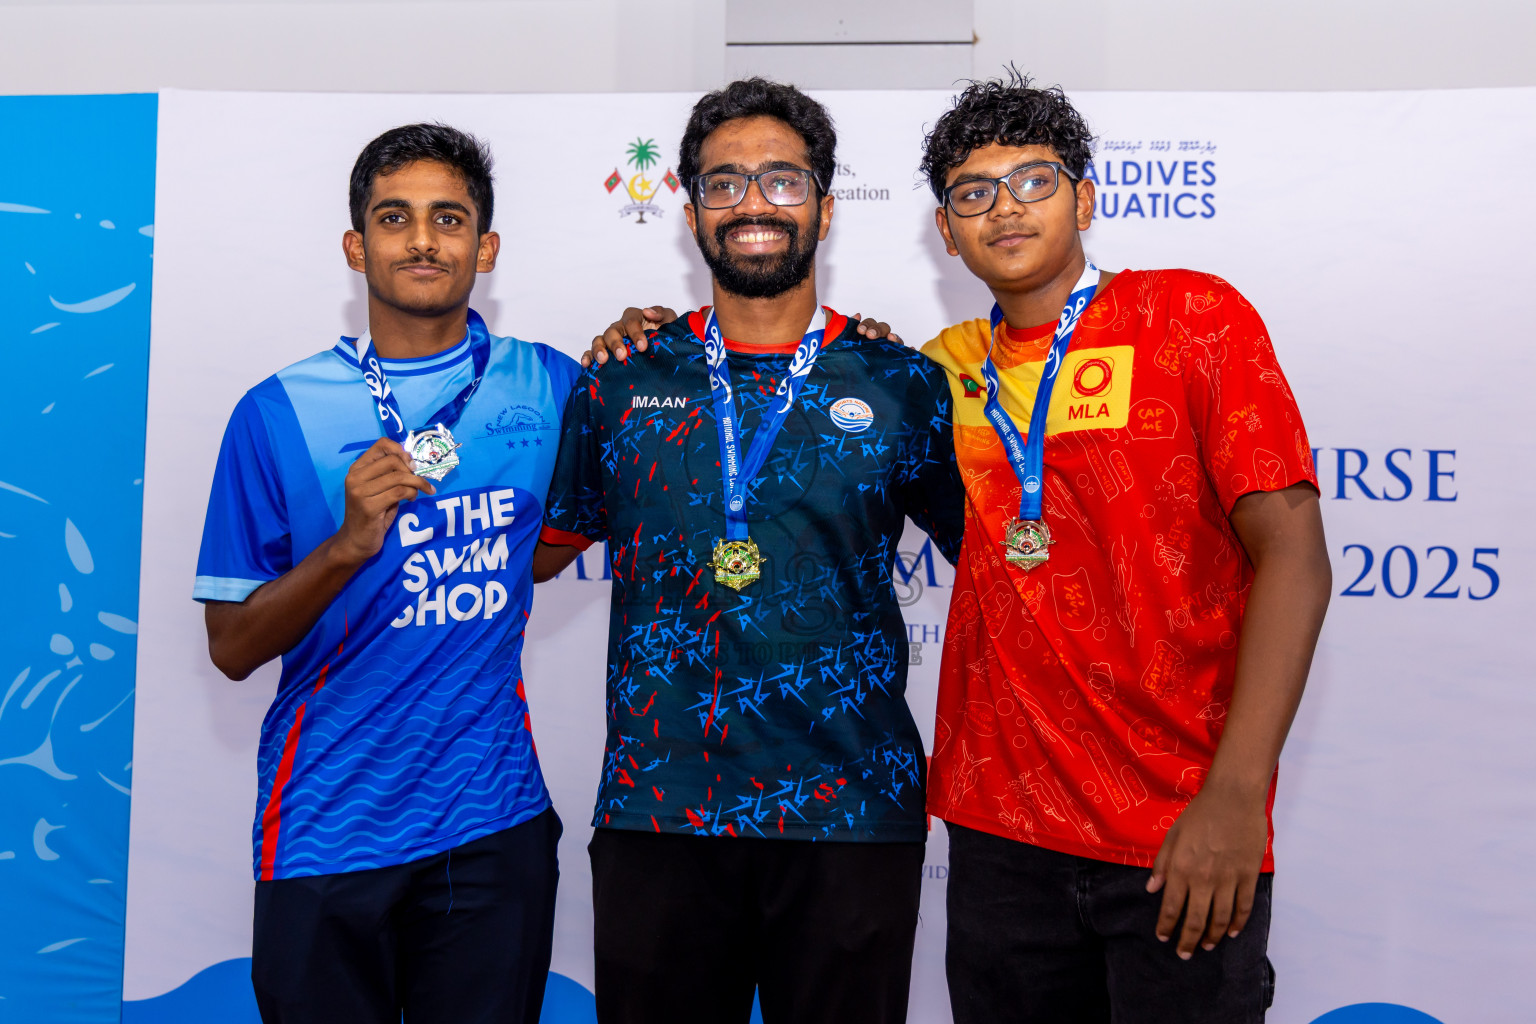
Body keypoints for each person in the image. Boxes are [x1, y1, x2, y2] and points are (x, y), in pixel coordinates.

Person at [533, 78, 966, 1024]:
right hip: (661, 810)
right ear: (690, 210)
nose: (754, 203)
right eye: (724, 183)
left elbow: (1002, 566)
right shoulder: (621, 378)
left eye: (781, 178)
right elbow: (536, 557)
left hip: (854, 811)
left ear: (824, 203)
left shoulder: (904, 384)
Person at [918, 73, 1331, 1022]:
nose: (1006, 207)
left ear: (1088, 199)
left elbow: (1297, 562)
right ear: (947, 231)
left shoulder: (1193, 317)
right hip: (1000, 838)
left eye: (1035, 178)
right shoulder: (938, 372)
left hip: (1181, 833)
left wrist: (1234, 799)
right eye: (973, 191)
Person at [194, 123, 577, 1024]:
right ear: (356, 246)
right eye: (394, 217)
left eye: (449, 218)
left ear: (484, 248)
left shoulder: (553, 386)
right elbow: (231, 648)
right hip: (328, 825)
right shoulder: (277, 411)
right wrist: (346, 545)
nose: (422, 239)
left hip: (494, 822)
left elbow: (553, 543)